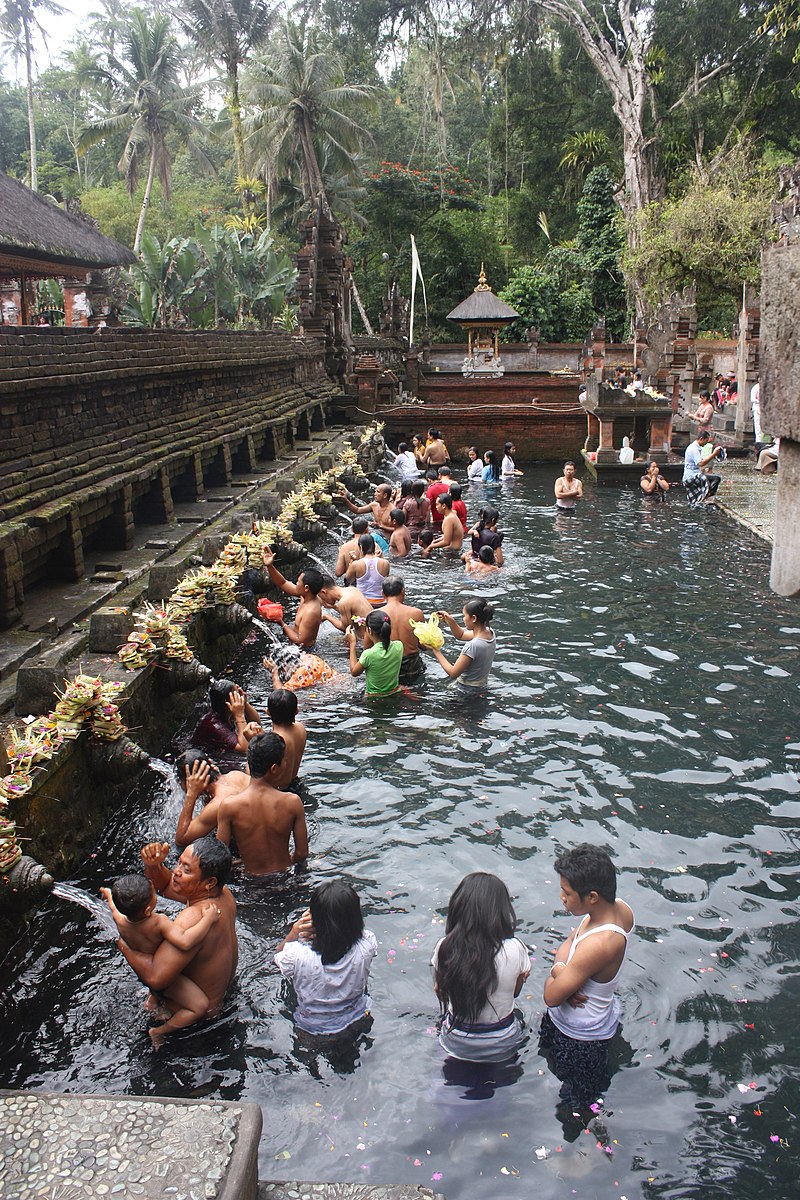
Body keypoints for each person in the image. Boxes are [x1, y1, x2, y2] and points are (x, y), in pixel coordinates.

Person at [539, 844, 634, 1108]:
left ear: (592, 896)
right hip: (598, 1017)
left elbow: (551, 996)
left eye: (567, 893)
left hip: (579, 1036)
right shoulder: (619, 909)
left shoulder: (600, 943)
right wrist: (560, 970)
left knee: (576, 1099)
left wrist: (559, 977)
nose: (562, 897)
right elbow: (569, 944)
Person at [118, 836, 238, 1041]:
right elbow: (165, 887)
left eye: (187, 870)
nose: (176, 871)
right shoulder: (222, 894)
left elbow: (156, 977)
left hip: (191, 1025)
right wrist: (154, 866)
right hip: (222, 1006)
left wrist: (124, 947)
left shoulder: (192, 919)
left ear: (209, 882)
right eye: (179, 863)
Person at [101, 874, 221, 1048]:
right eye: (154, 894)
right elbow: (185, 941)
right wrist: (208, 920)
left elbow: (113, 907)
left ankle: (152, 1001)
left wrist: (108, 894)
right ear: (148, 909)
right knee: (199, 1007)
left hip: (143, 972)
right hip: (167, 980)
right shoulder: (158, 922)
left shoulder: (120, 920)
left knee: (155, 988)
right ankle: (160, 1031)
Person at [431, 872, 530, 1061]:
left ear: (458, 908)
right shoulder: (516, 949)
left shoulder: (445, 947)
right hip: (502, 1039)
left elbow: (441, 992)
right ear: (501, 911)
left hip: (457, 1039)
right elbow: (515, 993)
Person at [275, 881, 377, 1037]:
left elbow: (276, 958)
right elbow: (354, 931)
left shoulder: (296, 955)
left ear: (314, 921)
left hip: (311, 1028)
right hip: (358, 1018)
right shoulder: (367, 944)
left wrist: (295, 931)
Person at [215, 732, 308, 875]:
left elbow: (220, 857)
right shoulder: (293, 802)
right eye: (284, 760)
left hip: (253, 884)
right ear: (274, 769)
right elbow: (301, 853)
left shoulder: (229, 806)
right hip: (284, 877)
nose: (286, 764)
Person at [175, 749, 249, 847]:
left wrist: (191, 795)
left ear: (189, 781)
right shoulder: (236, 775)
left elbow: (181, 839)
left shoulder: (217, 804)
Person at [423, 598, 497, 694]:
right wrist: (450, 621)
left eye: (464, 616)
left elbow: (453, 673)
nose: (463, 619)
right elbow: (461, 635)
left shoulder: (473, 646)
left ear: (474, 618)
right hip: (481, 686)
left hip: (466, 690)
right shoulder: (490, 632)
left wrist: (435, 650)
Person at [261, 550, 326, 649]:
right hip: (294, 644)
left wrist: (281, 623)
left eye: (298, 581)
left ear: (306, 588)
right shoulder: (306, 596)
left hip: (305, 652)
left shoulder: (311, 611)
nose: (296, 583)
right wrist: (270, 566)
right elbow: (282, 583)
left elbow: (301, 641)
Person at [193, 679, 261, 757]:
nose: (239, 698)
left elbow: (256, 723)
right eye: (236, 695)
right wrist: (240, 715)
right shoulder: (215, 725)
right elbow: (244, 749)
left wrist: (245, 704)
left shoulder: (228, 713)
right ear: (227, 703)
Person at [346, 609, 403, 697]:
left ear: (369, 631)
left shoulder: (368, 654)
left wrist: (352, 644)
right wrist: (369, 629)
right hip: (394, 693)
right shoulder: (399, 646)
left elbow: (354, 672)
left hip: (373, 698)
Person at [380, 575, 425, 683]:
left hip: (388, 666)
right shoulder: (416, 613)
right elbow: (424, 645)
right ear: (403, 591)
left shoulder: (375, 615)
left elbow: (368, 648)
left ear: (382, 594)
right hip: (412, 667)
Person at [267, 688, 307, 789]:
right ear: (297, 711)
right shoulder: (301, 728)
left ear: (267, 712)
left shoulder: (274, 741)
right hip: (296, 785)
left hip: (278, 792)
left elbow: (256, 775)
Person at [346, 533, 390, 604]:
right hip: (381, 602)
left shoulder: (356, 564)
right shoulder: (385, 563)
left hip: (363, 604)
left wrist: (351, 561)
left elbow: (348, 580)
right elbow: (386, 579)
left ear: (360, 547)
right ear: (374, 546)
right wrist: (381, 557)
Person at [683, 429, 724, 506]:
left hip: (692, 474)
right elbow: (701, 463)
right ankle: (708, 498)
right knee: (716, 479)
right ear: (701, 438)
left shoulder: (695, 447)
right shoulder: (694, 448)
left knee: (709, 478)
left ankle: (702, 498)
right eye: (706, 440)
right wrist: (714, 454)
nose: (706, 443)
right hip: (691, 477)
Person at [426, 466, 452, 533]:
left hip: (436, 521)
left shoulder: (430, 489)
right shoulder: (447, 487)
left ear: (429, 480)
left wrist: (427, 524)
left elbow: (428, 507)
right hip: (449, 519)